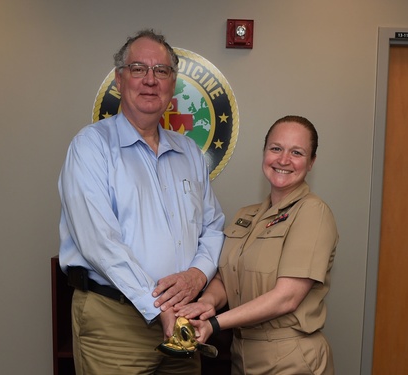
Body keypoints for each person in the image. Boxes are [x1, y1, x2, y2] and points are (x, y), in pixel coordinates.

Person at [58, 29, 225, 375]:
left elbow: (213, 226)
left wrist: (197, 275)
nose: (150, 80)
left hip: (182, 318)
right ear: (120, 80)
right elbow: (100, 242)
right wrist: (159, 305)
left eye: (161, 71)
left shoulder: (190, 152)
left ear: (173, 84)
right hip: (115, 320)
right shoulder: (91, 147)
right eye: (138, 69)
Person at [175, 115, 339, 375]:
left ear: (311, 162)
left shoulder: (312, 213)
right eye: (276, 148)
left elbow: (286, 298)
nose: (283, 160)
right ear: (264, 153)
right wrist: (207, 302)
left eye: (296, 152)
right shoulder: (246, 215)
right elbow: (226, 277)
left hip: (290, 357)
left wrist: (215, 324)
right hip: (242, 355)